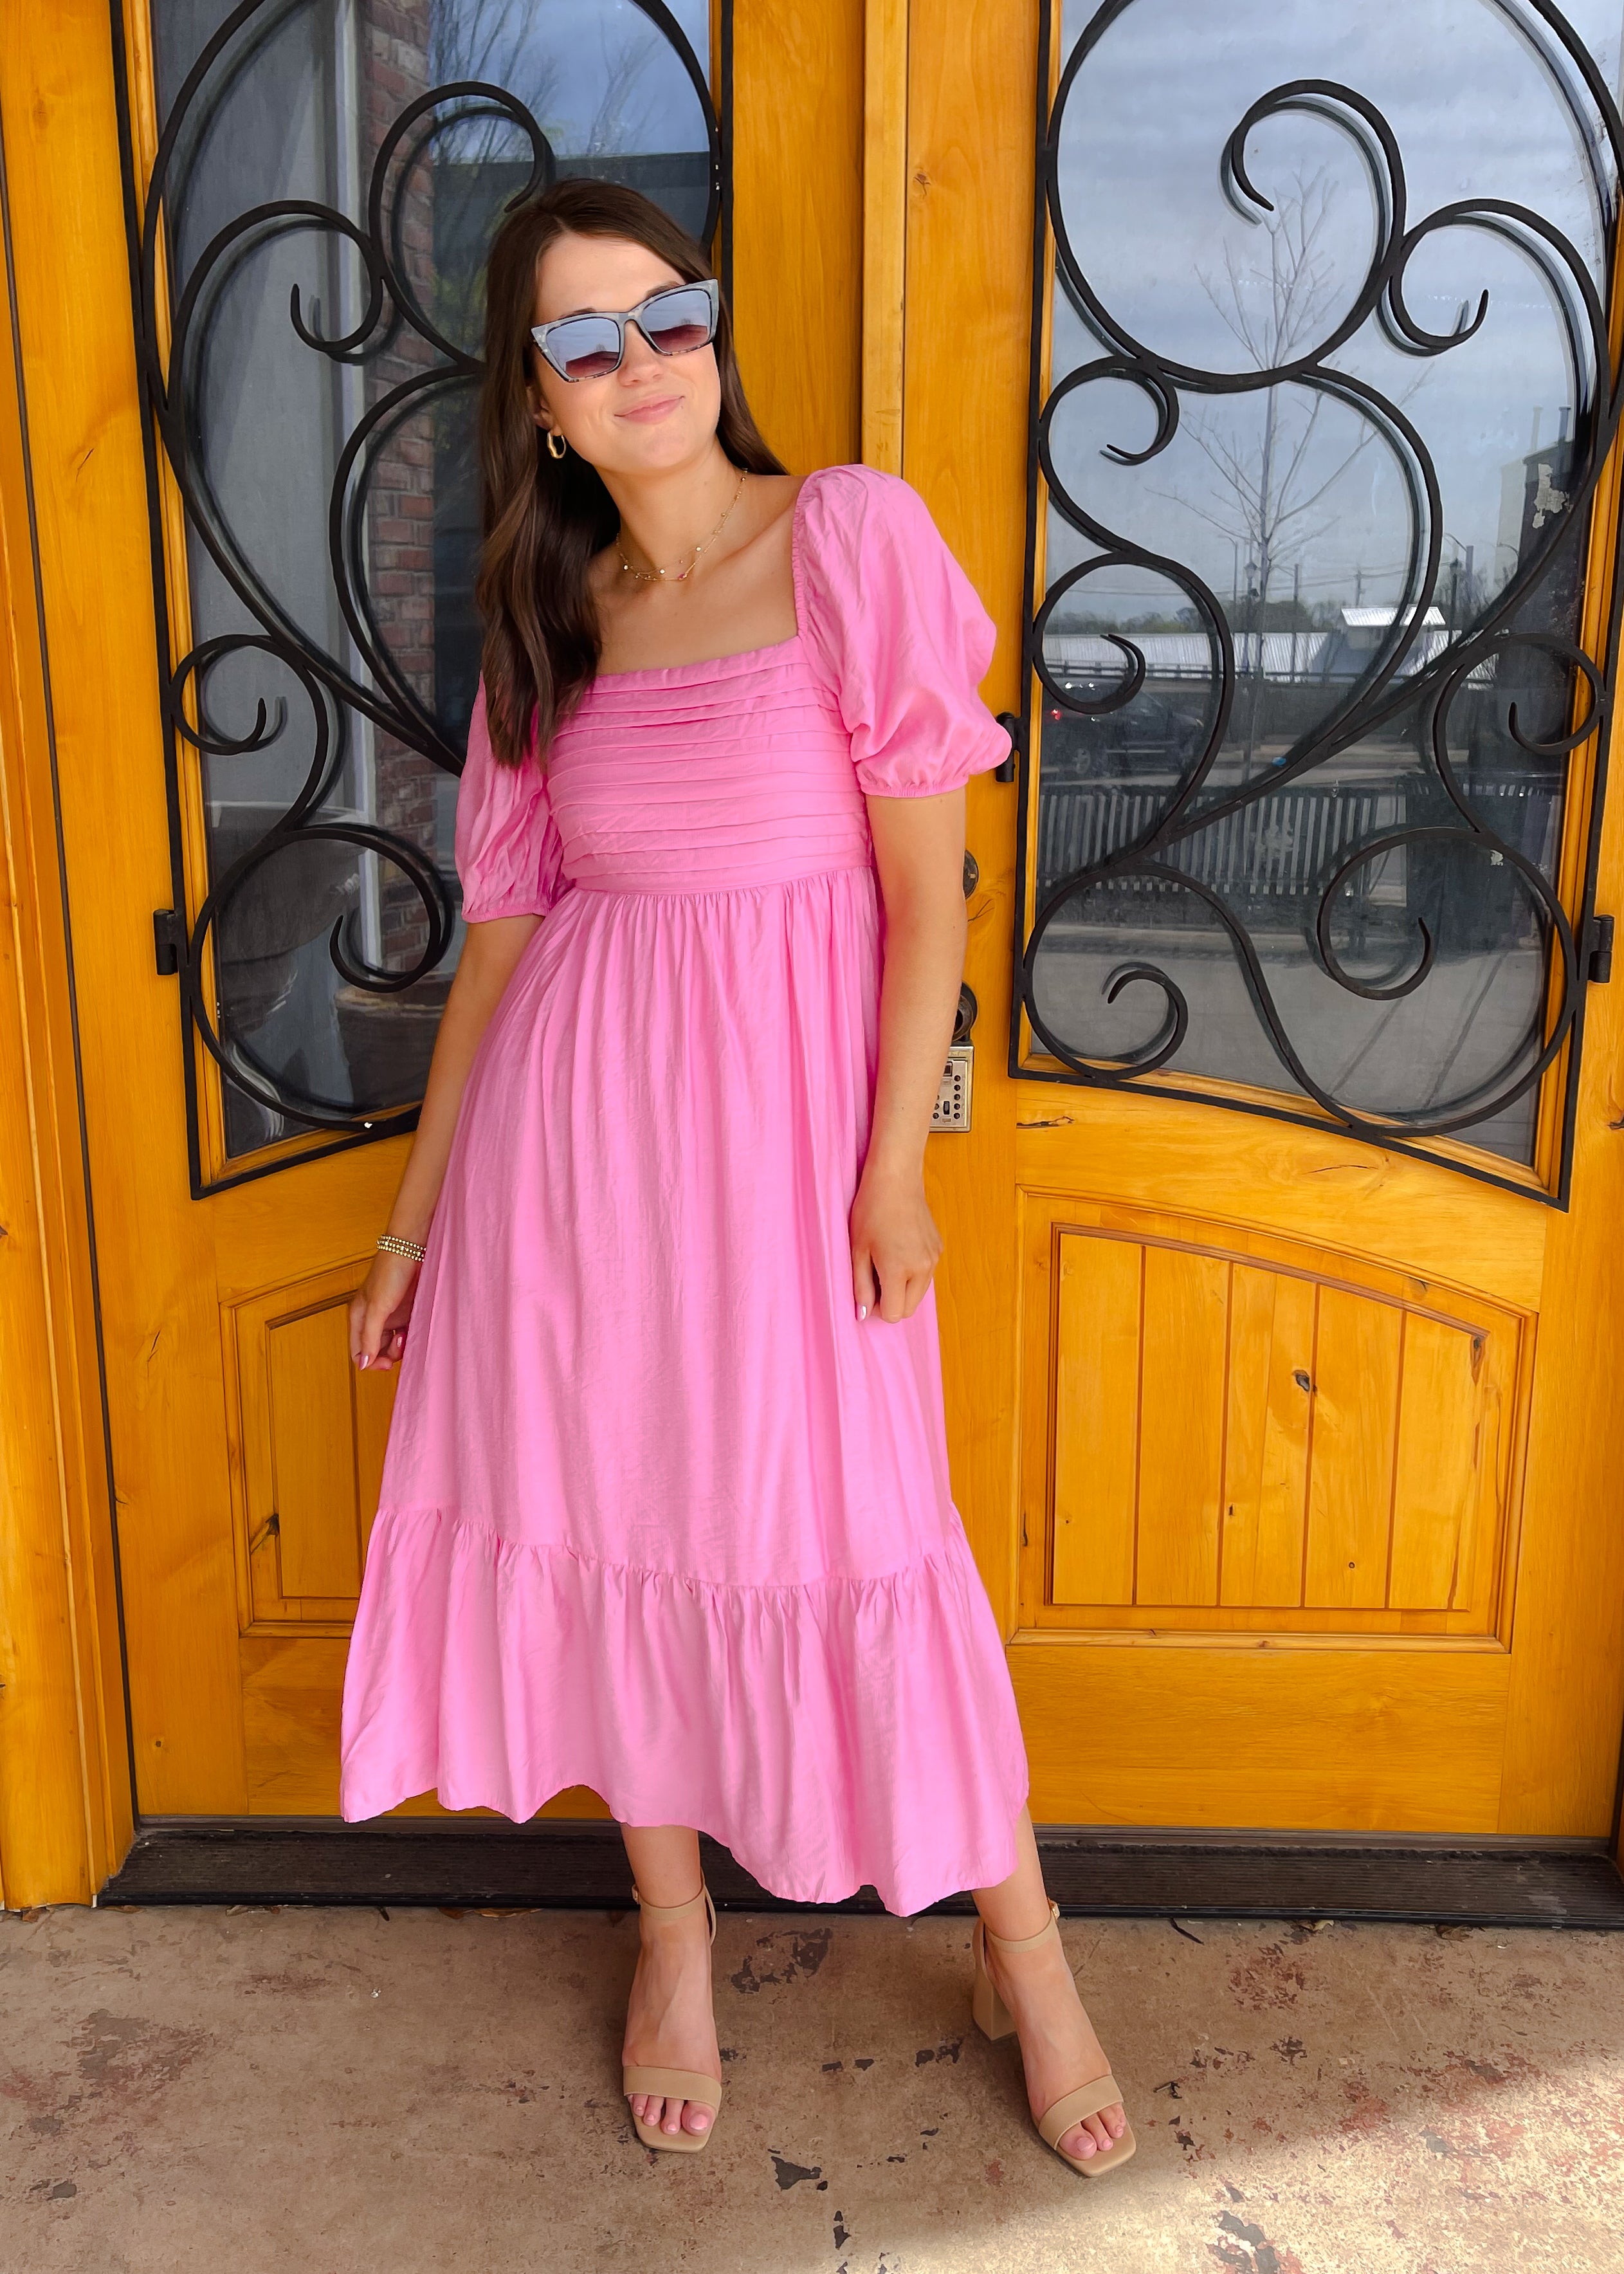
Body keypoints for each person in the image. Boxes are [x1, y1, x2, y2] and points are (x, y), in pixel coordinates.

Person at [341, 177, 1133, 2180]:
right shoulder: (548, 627)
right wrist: (416, 1224)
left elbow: (930, 900)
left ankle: (1026, 1955)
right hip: (577, 1168)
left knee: (874, 1537)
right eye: (584, 340)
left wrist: (892, 1170)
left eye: (668, 314)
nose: (641, 362)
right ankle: (673, 1935)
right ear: (537, 404)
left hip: (801, 1165)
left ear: (709, 332)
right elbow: (500, 951)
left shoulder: (848, 537)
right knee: (624, 1521)